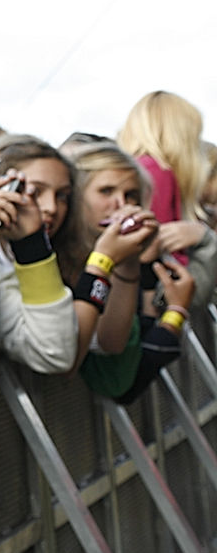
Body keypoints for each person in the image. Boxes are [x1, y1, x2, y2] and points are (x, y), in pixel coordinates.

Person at [0, 135, 156, 373]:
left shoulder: (61, 251)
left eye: (62, 196)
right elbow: (61, 356)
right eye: (35, 192)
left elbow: (108, 342)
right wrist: (102, 263)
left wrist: (127, 262)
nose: (51, 207)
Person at [61, 141, 194, 403]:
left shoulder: (120, 257)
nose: (121, 204)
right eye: (106, 191)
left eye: (131, 194)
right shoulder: (57, 251)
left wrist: (129, 261)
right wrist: (174, 316)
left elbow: (112, 345)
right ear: (76, 195)